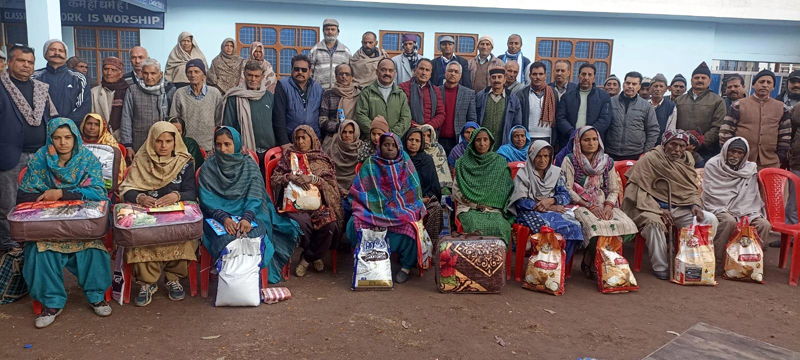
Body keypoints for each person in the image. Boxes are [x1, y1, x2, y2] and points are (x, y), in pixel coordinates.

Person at [17, 117, 111, 328]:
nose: (63, 143)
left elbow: (99, 193)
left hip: (80, 227)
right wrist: (47, 198)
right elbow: (23, 197)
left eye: (68, 137)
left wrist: (61, 193)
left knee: (94, 250)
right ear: (50, 139)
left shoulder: (87, 159)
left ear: (75, 137)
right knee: (40, 251)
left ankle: (96, 296)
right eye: (57, 138)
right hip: (47, 227)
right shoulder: (40, 159)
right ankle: (52, 303)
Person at [199, 126, 301, 283]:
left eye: (227, 144)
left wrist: (246, 218)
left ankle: (250, 276)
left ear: (237, 144)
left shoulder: (248, 165)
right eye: (218, 145)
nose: (223, 149)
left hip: (251, 213)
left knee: (253, 236)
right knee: (227, 238)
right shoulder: (209, 167)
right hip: (217, 217)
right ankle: (230, 277)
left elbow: (255, 197)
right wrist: (225, 219)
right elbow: (208, 201)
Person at [622, 129, 718, 280]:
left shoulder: (688, 160)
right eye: (673, 144)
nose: (677, 149)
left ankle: (696, 260)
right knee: (654, 225)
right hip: (649, 206)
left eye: (681, 146)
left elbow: (691, 189)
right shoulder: (650, 159)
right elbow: (635, 190)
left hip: (680, 206)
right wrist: (658, 210)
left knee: (709, 219)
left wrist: (695, 205)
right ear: (664, 144)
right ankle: (661, 266)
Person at [119, 122, 197, 307]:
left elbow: (191, 193)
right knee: (139, 235)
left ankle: (173, 278)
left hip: (174, 212)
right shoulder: (141, 160)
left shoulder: (184, 162)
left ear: (175, 141)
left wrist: (175, 195)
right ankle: (148, 282)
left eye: (168, 141)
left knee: (185, 234)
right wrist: (140, 197)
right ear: (151, 141)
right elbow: (126, 190)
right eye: (159, 141)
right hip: (147, 213)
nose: (163, 146)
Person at [347, 132, 427, 283]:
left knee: (411, 228)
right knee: (354, 222)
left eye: (393, 145)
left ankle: (406, 267)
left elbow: (414, 193)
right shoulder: (370, 164)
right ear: (379, 146)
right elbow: (359, 190)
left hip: (399, 210)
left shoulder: (405, 163)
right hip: (373, 210)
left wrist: (395, 207)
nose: (390, 148)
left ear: (399, 147)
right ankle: (364, 260)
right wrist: (377, 206)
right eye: (386, 145)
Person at [0, 45, 58, 252]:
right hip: (9, 157)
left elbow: (52, 118)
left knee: (39, 200)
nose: (26, 65)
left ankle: (36, 241)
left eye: (30, 62)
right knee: (8, 203)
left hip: (41, 155)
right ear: (9, 63)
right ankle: (9, 246)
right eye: (21, 60)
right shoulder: (2, 87)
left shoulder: (40, 89)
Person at [560, 126, 638, 277]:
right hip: (578, 204)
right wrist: (590, 205)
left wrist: (608, 206)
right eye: (586, 140)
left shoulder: (607, 161)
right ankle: (595, 260)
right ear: (578, 142)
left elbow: (614, 189)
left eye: (594, 139)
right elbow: (567, 189)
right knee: (595, 227)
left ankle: (599, 260)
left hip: (603, 203)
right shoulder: (570, 160)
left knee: (626, 225)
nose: (591, 143)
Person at [270, 126, 343, 276]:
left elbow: (331, 184)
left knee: (330, 223)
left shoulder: (321, 157)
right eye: (297, 138)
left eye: (304, 137)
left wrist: (313, 179)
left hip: (318, 204)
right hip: (295, 205)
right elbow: (274, 178)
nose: (301, 141)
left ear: (312, 139)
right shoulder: (288, 156)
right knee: (302, 223)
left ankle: (307, 258)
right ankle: (315, 254)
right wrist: (289, 177)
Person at [507, 140, 583, 260]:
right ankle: (543, 262)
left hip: (552, 209)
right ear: (532, 156)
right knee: (546, 228)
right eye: (538, 156)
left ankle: (561, 263)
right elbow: (521, 201)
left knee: (575, 225)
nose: (542, 160)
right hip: (529, 211)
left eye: (546, 156)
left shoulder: (555, 173)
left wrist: (552, 200)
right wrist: (547, 206)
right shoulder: (523, 174)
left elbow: (565, 195)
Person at [702, 137, 772, 266]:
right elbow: (711, 194)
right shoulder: (713, 165)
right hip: (718, 206)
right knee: (729, 221)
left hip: (744, 209)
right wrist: (730, 211)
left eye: (740, 153)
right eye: (732, 151)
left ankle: (750, 265)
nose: (735, 155)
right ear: (725, 151)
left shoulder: (749, 169)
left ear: (745, 156)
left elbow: (750, 195)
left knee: (764, 224)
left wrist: (742, 211)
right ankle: (716, 262)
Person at [719, 69, 791, 169]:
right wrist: (728, 154)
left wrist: (780, 157)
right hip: (741, 161)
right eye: (761, 82)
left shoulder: (782, 108)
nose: (764, 85)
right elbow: (725, 132)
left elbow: (785, 136)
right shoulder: (738, 105)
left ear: (773, 87)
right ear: (753, 85)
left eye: (768, 82)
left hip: (770, 162)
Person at [453, 127, 514, 244]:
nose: (482, 143)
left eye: (485, 139)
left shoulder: (499, 162)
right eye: (478, 140)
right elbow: (456, 190)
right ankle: (474, 261)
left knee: (501, 226)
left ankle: (498, 261)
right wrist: (475, 204)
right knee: (473, 225)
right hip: (468, 208)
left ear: (490, 142)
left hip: (493, 209)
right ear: (472, 143)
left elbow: (505, 189)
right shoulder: (462, 163)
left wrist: (490, 204)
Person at [223, 60, 281, 159]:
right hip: (243, 153)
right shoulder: (234, 98)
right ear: (244, 75)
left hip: (269, 153)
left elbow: (277, 123)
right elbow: (228, 128)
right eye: (250, 75)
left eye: (257, 76)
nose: (253, 79)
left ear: (262, 77)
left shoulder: (269, 97)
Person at [121, 58, 176, 157]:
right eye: (145, 73)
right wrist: (128, 145)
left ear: (160, 74)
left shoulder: (169, 90)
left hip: (163, 144)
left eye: (153, 73)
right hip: (139, 142)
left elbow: (174, 118)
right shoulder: (133, 90)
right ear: (141, 73)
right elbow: (126, 118)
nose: (149, 77)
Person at [675, 62, 726, 159]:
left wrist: (699, 142)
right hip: (679, 148)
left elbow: (718, 126)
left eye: (703, 78)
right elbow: (673, 124)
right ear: (691, 80)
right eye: (696, 78)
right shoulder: (679, 100)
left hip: (706, 151)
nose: (700, 80)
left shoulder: (718, 101)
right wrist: (680, 142)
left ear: (709, 81)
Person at [33, 39, 91, 124]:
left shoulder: (79, 78)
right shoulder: (34, 77)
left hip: (70, 130)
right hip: (42, 129)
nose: (57, 53)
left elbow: (84, 106)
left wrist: (64, 124)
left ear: (66, 55)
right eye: (52, 50)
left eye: (61, 51)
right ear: (45, 53)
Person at [555, 63, 611, 149]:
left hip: (592, 143)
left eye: (590, 75)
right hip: (569, 140)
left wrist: (588, 134)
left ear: (594, 78)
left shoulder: (603, 97)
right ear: (578, 76)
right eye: (583, 74)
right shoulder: (567, 96)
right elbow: (560, 117)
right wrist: (572, 133)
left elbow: (605, 119)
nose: (586, 78)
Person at [169, 59, 223, 151]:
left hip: (209, 146)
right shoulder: (179, 93)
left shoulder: (215, 93)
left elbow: (219, 121)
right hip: (186, 145)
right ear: (186, 75)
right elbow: (174, 120)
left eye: (196, 71)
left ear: (204, 75)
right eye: (189, 72)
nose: (193, 75)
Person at [605, 71, 660, 161]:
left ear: (639, 86)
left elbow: (653, 130)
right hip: (611, 153)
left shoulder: (646, 106)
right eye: (628, 83)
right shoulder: (611, 102)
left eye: (634, 84)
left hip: (636, 154)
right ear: (623, 84)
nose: (630, 86)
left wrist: (646, 152)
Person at [354, 58, 412, 139]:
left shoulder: (401, 94)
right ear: (377, 72)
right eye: (383, 70)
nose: (387, 73)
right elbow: (361, 116)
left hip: (393, 144)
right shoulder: (367, 92)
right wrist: (377, 133)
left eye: (390, 70)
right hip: (371, 142)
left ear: (395, 73)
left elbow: (406, 119)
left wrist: (391, 135)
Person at [403, 128, 444, 241]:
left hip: (425, 200)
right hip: (404, 201)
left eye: (417, 140)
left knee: (435, 209)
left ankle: (430, 244)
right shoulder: (400, 159)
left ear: (421, 143)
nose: (413, 143)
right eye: (410, 139)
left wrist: (426, 198)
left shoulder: (427, 160)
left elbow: (433, 184)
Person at [273, 54, 323, 141]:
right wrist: (284, 142)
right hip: (291, 140)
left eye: (304, 70)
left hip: (313, 141)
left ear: (310, 71)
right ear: (291, 70)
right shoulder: (283, 86)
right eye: (297, 69)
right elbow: (278, 116)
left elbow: (321, 115)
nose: (300, 72)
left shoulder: (318, 89)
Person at [475, 65, 522, 151]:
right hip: (482, 145)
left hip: (504, 145)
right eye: (494, 77)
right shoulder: (480, 96)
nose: (496, 80)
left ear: (504, 79)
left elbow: (517, 124)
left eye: (499, 77)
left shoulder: (513, 99)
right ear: (490, 80)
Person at [439, 62, 478, 154]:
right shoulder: (436, 91)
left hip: (458, 141)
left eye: (456, 72)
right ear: (445, 73)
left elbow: (472, 119)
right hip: (438, 138)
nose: (453, 74)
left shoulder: (469, 93)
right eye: (450, 71)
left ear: (460, 75)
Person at [79, 112, 127, 186]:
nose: (92, 127)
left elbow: (117, 167)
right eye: (89, 123)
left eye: (96, 124)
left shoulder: (109, 142)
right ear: (83, 125)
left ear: (102, 126)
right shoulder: (77, 141)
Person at [319, 63, 360, 149]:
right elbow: (322, 121)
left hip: (353, 141)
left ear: (352, 77)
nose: (344, 76)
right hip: (332, 140)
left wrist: (350, 130)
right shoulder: (328, 94)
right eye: (341, 74)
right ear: (336, 76)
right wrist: (339, 127)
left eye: (347, 74)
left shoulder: (358, 95)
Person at [517, 61, 557, 144]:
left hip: (548, 137)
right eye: (534, 74)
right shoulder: (522, 94)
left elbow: (557, 115)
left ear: (545, 76)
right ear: (530, 76)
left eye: (541, 74)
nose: (537, 77)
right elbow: (518, 118)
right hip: (528, 137)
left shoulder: (553, 92)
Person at [399, 59, 445, 130]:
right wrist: (416, 127)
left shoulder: (436, 90)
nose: (424, 73)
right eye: (421, 69)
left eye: (427, 70)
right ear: (415, 70)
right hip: (408, 132)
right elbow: (401, 113)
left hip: (429, 133)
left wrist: (427, 127)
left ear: (430, 74)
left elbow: (441, 114)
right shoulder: (403, 88)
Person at [91, 57, 129, 140]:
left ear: (121, 74)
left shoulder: (128, 91)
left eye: (113, 70)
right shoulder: (94, 92)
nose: (109, 73)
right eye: (106, 69)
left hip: (123, 138)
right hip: (101, 138)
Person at [310, 18, 351, 90]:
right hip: (319, 91)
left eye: (333, 29)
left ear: (338, 32)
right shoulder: (315, 50)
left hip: (339, 91)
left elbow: (350, 73)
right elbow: (310, 72)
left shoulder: (345, 51)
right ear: (323, 32)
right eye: (327, 29)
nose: (330, 32)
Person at [326, 119, 363, 196]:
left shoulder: (362, 149)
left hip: (357, 189)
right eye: (344, 132)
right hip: (335, 189)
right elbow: (327, 174)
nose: (347, 135)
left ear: (355, 133)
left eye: (351, 132)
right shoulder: (332, 149)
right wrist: (339, 189)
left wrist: (353, 190)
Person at [420, 124, 453, 189]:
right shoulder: (418, 149)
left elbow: (444, 168)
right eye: (423, 135)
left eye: (429, 136)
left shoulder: (439, 149)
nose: (426, 138)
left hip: (442, 187)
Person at [649, 73, 677, 142]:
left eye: (661, 86)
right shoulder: (644, 104)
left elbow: (670, 130)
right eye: (655, 86)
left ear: (666, 89)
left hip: (661, 145)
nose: (658, 89)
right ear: (650, 88)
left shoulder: (671, 106)